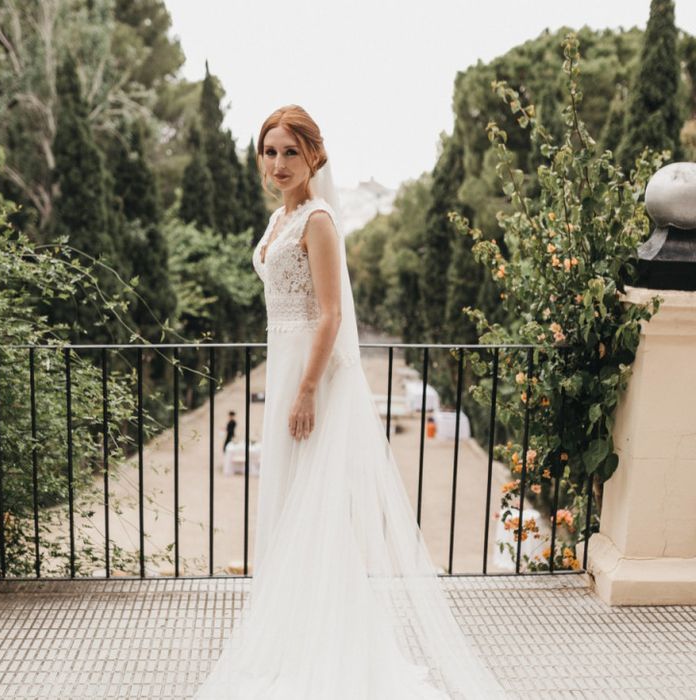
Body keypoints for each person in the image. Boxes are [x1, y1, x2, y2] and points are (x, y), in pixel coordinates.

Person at [194, 105, 503, 699]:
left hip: (313, 382)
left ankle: (330, 651)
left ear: (314, 155)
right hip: (285, 370)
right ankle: (294, 638)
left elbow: (331, 315)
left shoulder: (319, 221)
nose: (278, 163)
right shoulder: (277, 219)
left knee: (316, 515)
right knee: (288, 511)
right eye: (269, 151)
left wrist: (307, 390)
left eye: (290, 151)